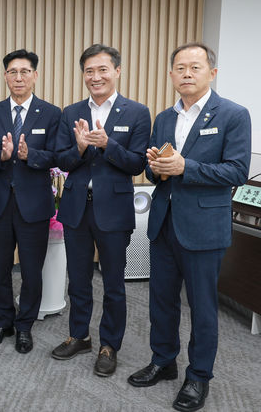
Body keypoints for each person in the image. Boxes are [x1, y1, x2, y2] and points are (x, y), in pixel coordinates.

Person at [128, 43, 251, 412]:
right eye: (179, 67)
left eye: (194, 67)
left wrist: (187, 168)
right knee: (161, 302)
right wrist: (154, 166)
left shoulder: (232, 114)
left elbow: (237, 171)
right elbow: (154, 169)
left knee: (202, 307)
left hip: (203, 228)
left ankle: (198, 377)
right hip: (164, 223)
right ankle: (163, 361)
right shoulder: (164, 118)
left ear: (211, 73)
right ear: (171, 75)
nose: (186, 73)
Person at [53, 44, 151, 376]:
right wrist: (79, 148)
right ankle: (79, 335)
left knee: (113, 283)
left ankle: (110, 344)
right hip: (77, 209)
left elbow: (138, 164)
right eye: (89, 71)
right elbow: (61, 160)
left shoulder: (137, 112)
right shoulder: (71, 112)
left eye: (102, 70)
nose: (96, 77)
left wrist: (109, 145)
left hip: (114, 211)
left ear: (117, 71)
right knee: (78, 281)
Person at [0, 49, 61, 353]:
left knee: (31, 270)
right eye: (12, 72)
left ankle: (25, 325)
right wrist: (0, 156)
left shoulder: (52, 113)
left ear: (35, 76)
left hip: (34, 205)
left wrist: (32, 156)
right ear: (5, 76)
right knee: (0, 267)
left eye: (25, 71)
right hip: (0, 202)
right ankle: (3, 321)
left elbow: (58, 154)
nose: (19, 77)